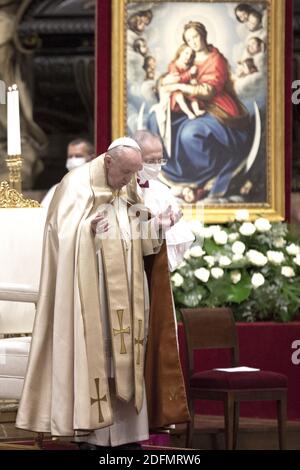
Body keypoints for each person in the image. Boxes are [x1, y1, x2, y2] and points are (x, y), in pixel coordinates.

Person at [16, 137, 189, 449]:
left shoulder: (128, 185)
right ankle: (92, 432)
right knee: (98, 361)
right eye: (124, 173)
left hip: (128, 296)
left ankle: (128, 436)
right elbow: (59, 239)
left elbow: (140, 240)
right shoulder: (75, 185)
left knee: (125, 360)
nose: (127, 181)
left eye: (132, 175)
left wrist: (158, 227)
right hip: (90, 297)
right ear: (109, 161)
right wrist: (88, 232)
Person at [148, 21, 252, 201]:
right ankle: (172, 170)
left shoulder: (215, 59)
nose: (193, 42)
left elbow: (208, 91)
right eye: (189, 39)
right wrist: (165, 82)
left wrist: (178, 84)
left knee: (190, 134)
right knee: (153, 120)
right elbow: (170, 75)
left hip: (217, 107)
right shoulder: (188, 57)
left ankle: (201, 175)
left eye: (195, 36)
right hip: (187, 105)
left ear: (203, 35)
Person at [133, 130, 195, 272]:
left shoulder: (162, 190)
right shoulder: (119, 189)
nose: (156, 166)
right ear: (134, 158)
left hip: (157, 267)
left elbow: (178, 237)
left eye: (159, 160)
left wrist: (168, 226)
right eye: (150, 161)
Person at [41, 138, 95, 208]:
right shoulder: (57, 189)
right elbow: (43, 213)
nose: (73, 160)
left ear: (92, 158)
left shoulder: (98, 187)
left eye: (78, 156)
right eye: (70, 156)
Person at [167, 44, 206, 120]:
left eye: (191, 55)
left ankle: (197, 110)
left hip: (185, 88)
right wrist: (189, 73)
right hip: (175, 89)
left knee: (192, 93)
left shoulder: (188, 66)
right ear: (180, 52)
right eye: (186, 53)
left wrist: (193, 80)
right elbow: (177, 79)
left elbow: (191, 78)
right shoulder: (173, 65)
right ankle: (189, 113)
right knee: (179, 96)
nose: (188, 57)